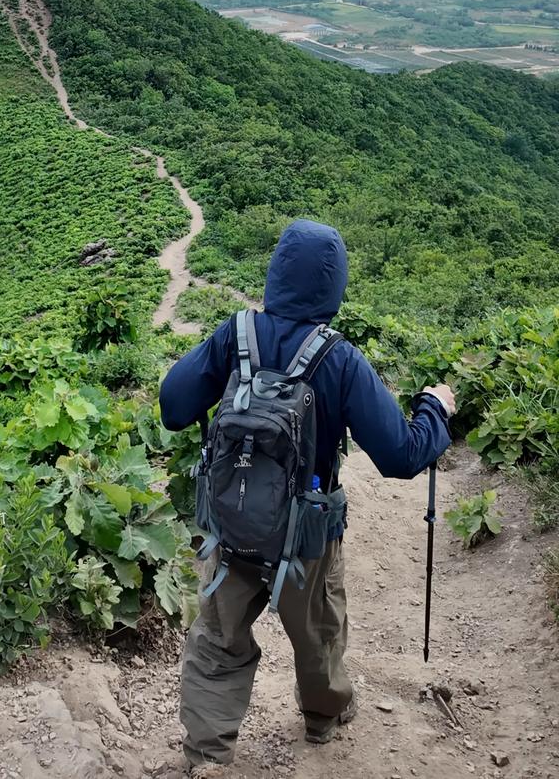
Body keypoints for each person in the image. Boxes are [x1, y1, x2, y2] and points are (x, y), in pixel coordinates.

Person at [159, 218, 454, 772]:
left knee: (217, 641)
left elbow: (173, 407)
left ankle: (207, 755)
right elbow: (401, 457)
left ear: (274, 273)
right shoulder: (338, 358)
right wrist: (435, 407)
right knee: (318, 633)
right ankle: (322, 717)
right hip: (306, 535)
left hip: (230, 523)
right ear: (335, 286)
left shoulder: (235, 333)